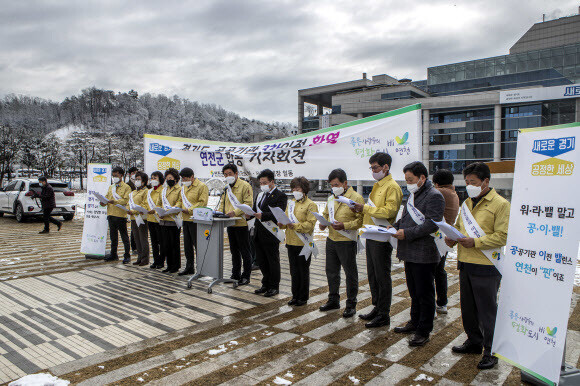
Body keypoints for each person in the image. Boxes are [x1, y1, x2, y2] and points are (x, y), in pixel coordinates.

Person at [446, 162, 510, 370]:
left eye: (472, 182)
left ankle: (491, 351)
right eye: (466, 182)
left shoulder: (500, 204)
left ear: (486, 181)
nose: (469, 186)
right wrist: (452, 238)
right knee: (469, 309)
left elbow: (503, 236)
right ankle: (474, 341)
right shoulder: (467, 203)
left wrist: (476, 242)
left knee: (487, 311)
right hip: (465, 262)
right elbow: (457, 227)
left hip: (487, 265)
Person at [390, 161, 445, 347]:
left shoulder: (434, 196)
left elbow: (432, 224)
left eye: (410, 179)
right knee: (414, 292)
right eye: (406, 180)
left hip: (424, 253)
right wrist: (395, 227)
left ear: (422, 178)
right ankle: (414, 322)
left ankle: (424, 330)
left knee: (425, 293)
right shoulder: (413, 195)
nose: (408, 183)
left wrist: (407, 233)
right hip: (409, 252)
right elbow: (405, 220)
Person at [351, 152, 402, 328]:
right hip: (371, 234)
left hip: (382, 237)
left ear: (386, 167)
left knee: (382, 276)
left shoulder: (392, 187)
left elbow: (389, 211)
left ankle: (384, 313)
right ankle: (376, 306)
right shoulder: (377, 185)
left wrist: (364, 208)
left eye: (375, 168)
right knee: (372, 275)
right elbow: (372, 210)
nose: (373, 171)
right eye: (371, 168)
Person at [319, 168, 364, 318]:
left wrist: (345, 225)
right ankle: (333, 299)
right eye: (332, 185)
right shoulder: (331, 198)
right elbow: (325, 214)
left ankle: (351, 304)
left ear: (345, 183)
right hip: (331, 239)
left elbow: (360, 221)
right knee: (331, 271)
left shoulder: (356, 198)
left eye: (336, 184)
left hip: (347, 240)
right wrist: (322, 223)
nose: (334, 188)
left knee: (350, 273)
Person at [278, 176, 317, 306]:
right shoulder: (291, 203)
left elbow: (310, 225)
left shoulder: (311, 204)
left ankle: (303, 297)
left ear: (304, 189)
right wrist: (281, 224)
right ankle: (294, 295)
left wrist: (294, 226)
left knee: (303, 271)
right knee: (293, 271)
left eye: (298, 188)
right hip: (291, 242)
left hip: (304, 243)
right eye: (293, 188)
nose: (295, 190)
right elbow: (286, 220)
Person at [251, 169, 287, 297]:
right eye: (261, 183)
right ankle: (265, 284)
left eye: (265, 182)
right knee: (261, 261)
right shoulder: (260, 195)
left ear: (272, 181)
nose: (262, 185)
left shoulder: (280, 196)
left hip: (271, 233)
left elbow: (279, 214)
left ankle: (274, 286)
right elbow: (255, 211)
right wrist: (248, 214)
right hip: (258, 233)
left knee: (272, 261)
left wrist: (264, 215)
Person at [218, 163, 254, 285]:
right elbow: (223, 203)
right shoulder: (226, 188)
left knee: (245, 251)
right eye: (225, 174)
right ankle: (235, 274)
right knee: (234, 251)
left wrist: (235, 212)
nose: (228, 176)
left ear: (236, 174)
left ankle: (246, 276)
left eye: (230, 174)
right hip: (230, 223)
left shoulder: (245, 186)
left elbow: (248, 204)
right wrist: (218, 212)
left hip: (241, 224)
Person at [432, 168, 460, 314]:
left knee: (433, 272)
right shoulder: (453, 193)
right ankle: (442, 302)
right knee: (439, 271)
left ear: (436, 183)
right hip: (444, 238)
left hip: (437, 238)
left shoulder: (441, 192)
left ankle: (437, 303)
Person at [178, 167, 209, 276]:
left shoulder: (201, 186)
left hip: (196, 220)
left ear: (192, 177)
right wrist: (176, 208)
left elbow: (202, 202)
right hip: (185, 219)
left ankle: (201, 268)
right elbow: (180, 201)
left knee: (198, 245)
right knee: (187, 246)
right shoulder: (184, 188)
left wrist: (190, 210)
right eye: (182, 179)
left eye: (186, 178)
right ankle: (189, 267)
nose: (184, 181)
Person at [102, 166, 132, 263]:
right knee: (113, 237)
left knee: (124, 237)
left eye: (116, 175)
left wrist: (114, 201)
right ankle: (113, 254)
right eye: (113, 175)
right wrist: (103, 202)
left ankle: (127, 255)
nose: (114, 177)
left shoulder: (127, 187)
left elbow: (126, 200)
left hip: (121, 216)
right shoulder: (111, 187)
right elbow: (106, 197)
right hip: (111, 214)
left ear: (121, 175)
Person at [157, 168, 182, 273]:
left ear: (175, 179)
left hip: (173, 221)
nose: (168, 180)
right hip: (164, 221)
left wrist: (170, 210)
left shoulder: (180, 190)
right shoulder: (164, 190)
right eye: (167, 178)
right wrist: (159, 212)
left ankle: (175, 265)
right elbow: (158, 203)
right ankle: (169, 264)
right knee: (165, 245)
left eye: (170, 178)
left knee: (174, 245)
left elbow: (179, 203)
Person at [127, 171, 150, 266]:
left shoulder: (146, 191)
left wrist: (134, 211)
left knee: (143, 238)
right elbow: (129, 203)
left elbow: (145, 204)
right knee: (136, 238)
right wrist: (128, 210)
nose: (137, 181)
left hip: (142, 217)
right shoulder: (134, 192)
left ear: (144, 181)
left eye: (139, 179)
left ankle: (145, 258)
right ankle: (139, 257)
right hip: (133, 218)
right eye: (136, 179)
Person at [146, 171, 165, 269]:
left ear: (160, 179)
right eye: (152, 178)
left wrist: (156, 211)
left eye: (155, 178)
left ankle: (161, 261)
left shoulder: (163, 190)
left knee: (161, 242)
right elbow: (146, 203)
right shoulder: (149, 191)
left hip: (159, 219)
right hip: (150, 219)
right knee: (153, 242)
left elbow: (163, 204)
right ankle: (155, 260)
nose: (153, 180)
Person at [127, 166, 138, 255]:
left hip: (138, 208)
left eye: (136, 172)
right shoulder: (128, 184)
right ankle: (134, 247)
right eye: (133, 173)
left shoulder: (139, 183)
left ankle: (138, 246)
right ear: (129, 174)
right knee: (133, 229)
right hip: (131, 208)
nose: (135, 174)